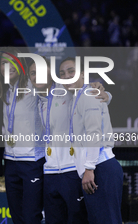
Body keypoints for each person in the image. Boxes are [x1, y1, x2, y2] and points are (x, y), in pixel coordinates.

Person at [29, 57, 111, 224]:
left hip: (72, 170)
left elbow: (89, 93)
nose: (38, 77)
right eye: (33, 73)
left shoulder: (67, 90)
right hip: (50, 173)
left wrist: (104, 93)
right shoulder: (37, 101)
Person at [59, 57, 123, 224]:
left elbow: (94, 133)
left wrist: (89, 168)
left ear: (82, 74)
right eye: (62, 73)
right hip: (97, 168)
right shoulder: (77, 96)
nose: (67, 76)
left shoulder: (88, 95)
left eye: (71, 71)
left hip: (100, 168)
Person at [0, 48, 45, 224]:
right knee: (17, 217)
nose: (8, 66)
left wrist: (100, 91)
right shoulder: (5, 91)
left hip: (32, 162)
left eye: (13, 61)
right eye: (3, 62)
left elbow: (61, 90)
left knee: (31, 217)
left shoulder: (34, 86)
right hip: (10, 162)